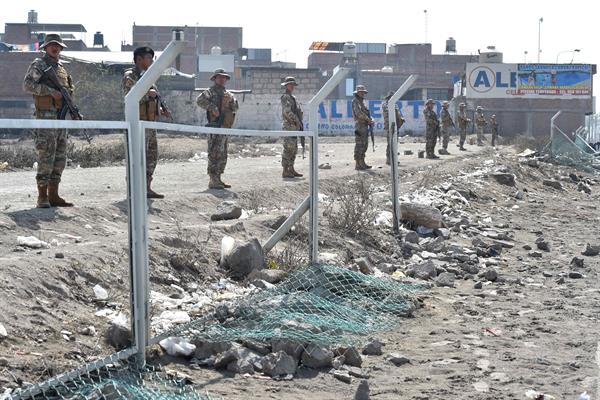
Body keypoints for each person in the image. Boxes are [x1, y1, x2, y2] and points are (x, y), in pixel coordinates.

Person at [23, 34, 75, 208]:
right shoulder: (39, 65)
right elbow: (27, 85)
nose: (56, 48)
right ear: (45, 47)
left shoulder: (61, 68)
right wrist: (49, 91)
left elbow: (68, 92)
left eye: (58, 46)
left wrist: (73, 111)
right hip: (45, 119)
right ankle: (42, 197)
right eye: (52, 45)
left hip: (60, 119)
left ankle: (54, 195)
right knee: (46, 155)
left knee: (60, 158)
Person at [122, 46, 171, 199]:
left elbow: (156, 97)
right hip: (137, 123)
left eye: (151, 57)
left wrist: (161, 109)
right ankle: (134, 189)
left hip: (150, 124)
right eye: (148, 58)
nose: (151, 61)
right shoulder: (130, 76)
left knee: (151, 157)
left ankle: (147, 187)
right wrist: (147, 94)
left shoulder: (149, 77)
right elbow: (130, 97)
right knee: (137, 157)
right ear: (139, 59)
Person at [197, 69, 239, 189]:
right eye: (219, 77)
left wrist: (230, 102)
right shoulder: (210, 92)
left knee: (223, 153)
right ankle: (213, 179)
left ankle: (218, 178)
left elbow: (236, 107)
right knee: (214, 152)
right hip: (215, 125)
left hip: (225, 126)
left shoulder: (229, 94)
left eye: (224, 77)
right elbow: (199, 100)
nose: (222, 79)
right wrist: (212, 107)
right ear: (214, 79)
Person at [280, 76, 303, 178]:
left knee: (294, 148)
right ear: (286, 86)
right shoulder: (286, 97)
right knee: (288, 148)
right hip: (289, 126)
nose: (292, 86)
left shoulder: (293, 98)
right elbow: (287, 111)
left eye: (293, 85)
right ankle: (285, 170)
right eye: (290, 85)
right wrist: (296, 120)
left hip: (294, 126)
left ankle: (291, 168)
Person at [352, 85, 374, 170]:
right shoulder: (355, 101)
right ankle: (358, 163)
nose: (362, 94)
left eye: (363, 92)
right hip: (360, 126)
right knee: (359, 145)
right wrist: (368, 119)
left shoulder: (362, 102)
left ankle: (362, 162)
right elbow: (358, 113)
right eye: (360, 92)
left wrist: (371, 119)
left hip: (364, 126)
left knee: (364, 144)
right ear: (357, 93)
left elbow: (366, 113)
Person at [382, 91, 405, 165]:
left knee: (394, 143)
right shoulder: (386, 104)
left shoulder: (394, 104)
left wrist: (401, 119)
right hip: (390, 126)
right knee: (390, 143)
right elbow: (389, 114)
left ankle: (393, 159)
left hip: (395, 126)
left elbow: (398, 114)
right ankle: (389, 159)